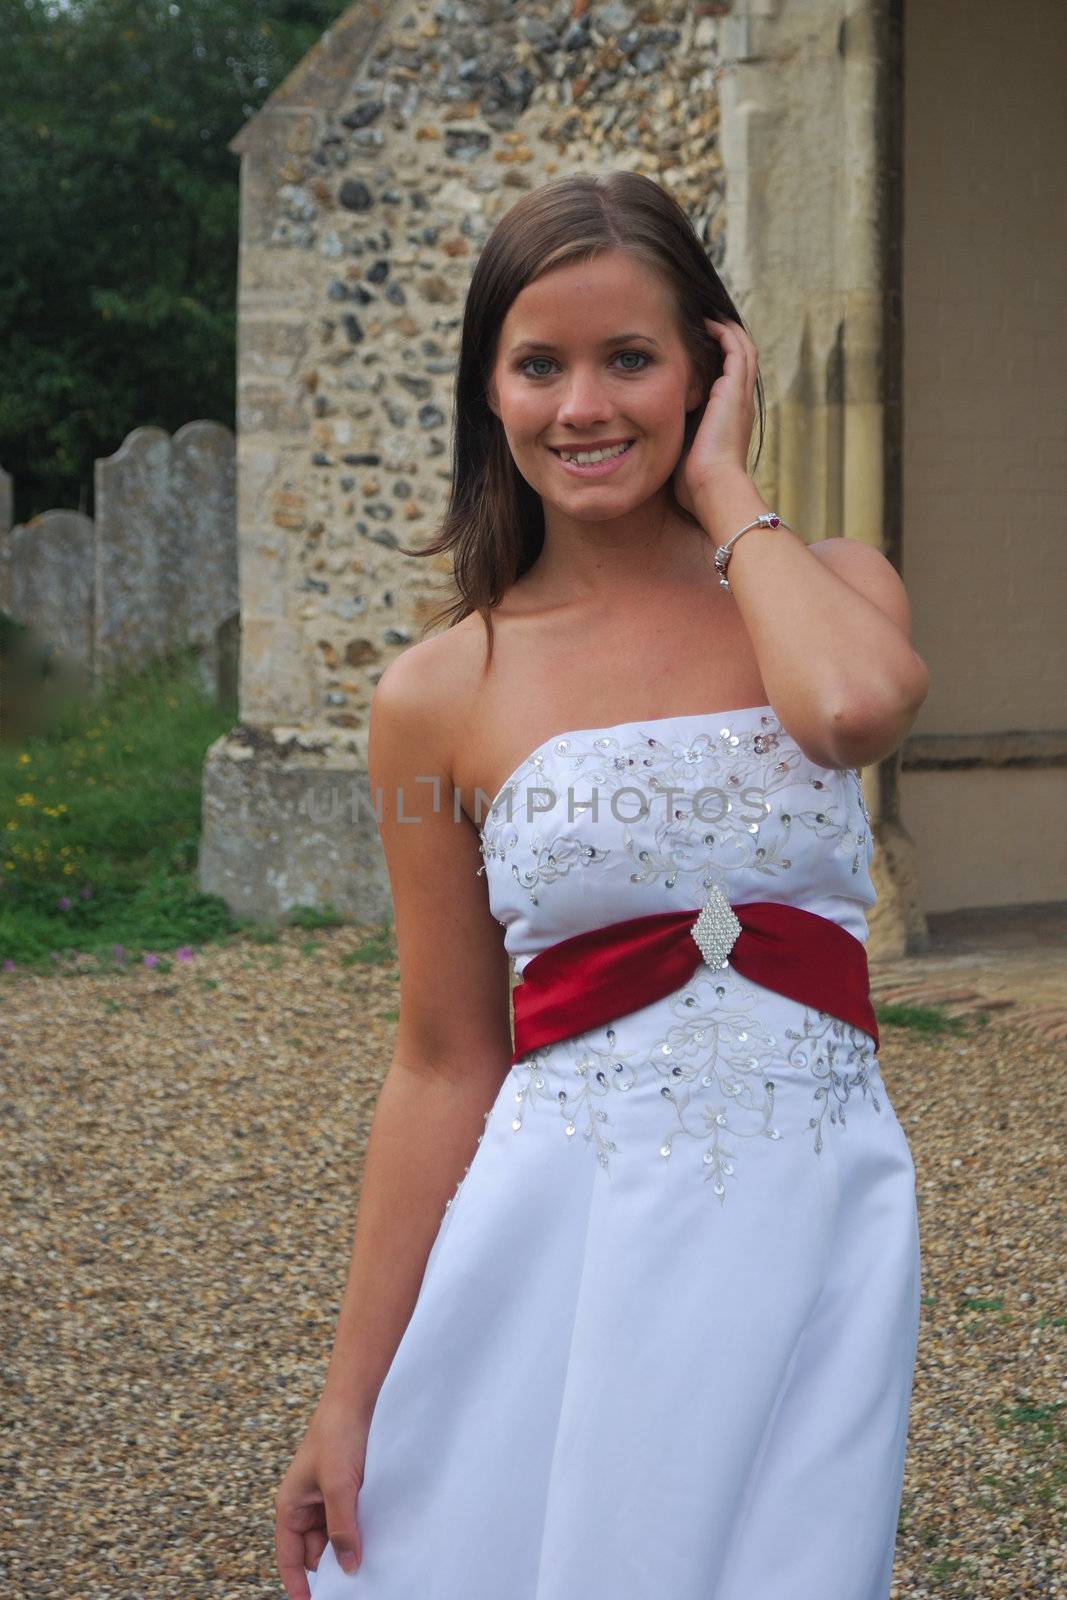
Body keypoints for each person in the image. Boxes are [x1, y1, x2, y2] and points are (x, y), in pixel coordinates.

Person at [274, 170, 928, 1600]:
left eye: (631, 357)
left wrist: (728, 491)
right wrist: (347, 1396)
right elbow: (443, 1062)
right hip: (561, 1231)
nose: (585, 405)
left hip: (818, 1212)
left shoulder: (825, 590)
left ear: (710, 364)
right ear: (487, 393)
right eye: (539, 364)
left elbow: (858, 710)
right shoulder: (440, 693)